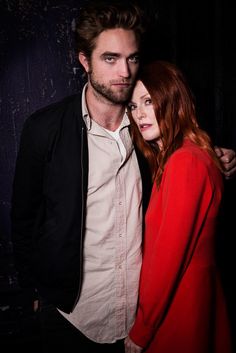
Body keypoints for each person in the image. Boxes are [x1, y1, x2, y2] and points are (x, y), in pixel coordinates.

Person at [10, 1, 235, 352]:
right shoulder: (45, 129)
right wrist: (34, 295)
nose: (125, 71)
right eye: (110, 58)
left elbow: (183, 166)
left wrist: (215, 155)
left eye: (132, 58)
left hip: (139, 317)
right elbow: (24, 219)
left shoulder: (148, 133)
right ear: (84, 60)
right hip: (71, 316)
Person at [124, 60, 233, 353]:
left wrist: (142, 329)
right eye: (133, 106)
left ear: (172, 99)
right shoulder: (183, 156)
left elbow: (168, 257)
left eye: (148, 101)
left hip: (180, 306)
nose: (140, 114)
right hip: (186, 300)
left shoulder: (185, 161)